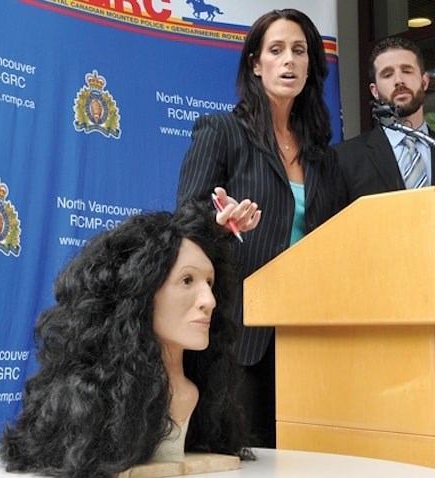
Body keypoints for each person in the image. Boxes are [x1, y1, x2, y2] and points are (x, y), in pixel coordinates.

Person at [176, 9, 343, 448]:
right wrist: (218, 221)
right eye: (276, 50)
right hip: (243, 335)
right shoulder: (223, 132)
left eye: (299, 51)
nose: (288, 60)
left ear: (310, 67)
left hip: (309, 334)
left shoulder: (323, 155)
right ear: (255, 63)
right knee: (245, 456)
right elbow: (185, 217)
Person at [0, 201, 251, 478]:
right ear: (140, 293)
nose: (209, 300)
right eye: (187, 280)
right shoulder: (97, 405)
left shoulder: (200, 396)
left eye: (210, 283)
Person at [334, 36, 435, 204]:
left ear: (424, 81)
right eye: (387, 75)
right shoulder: (343, 159)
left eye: (407, 71)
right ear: (375, 91)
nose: (399, 80)